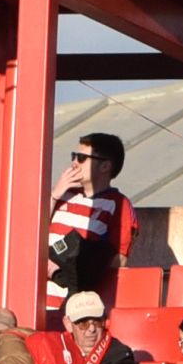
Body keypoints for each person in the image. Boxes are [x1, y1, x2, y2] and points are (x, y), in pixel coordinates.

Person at [45, 132, 137, 314]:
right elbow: (28, 230)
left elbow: (119, 259)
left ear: (105, 166)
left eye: (81, 158)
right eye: (74, 156)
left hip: (74, 308)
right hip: (38, 299)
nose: (74, 163)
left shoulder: (118, 204)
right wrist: (54, 195)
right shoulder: (61, 195)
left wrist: (65, 271)